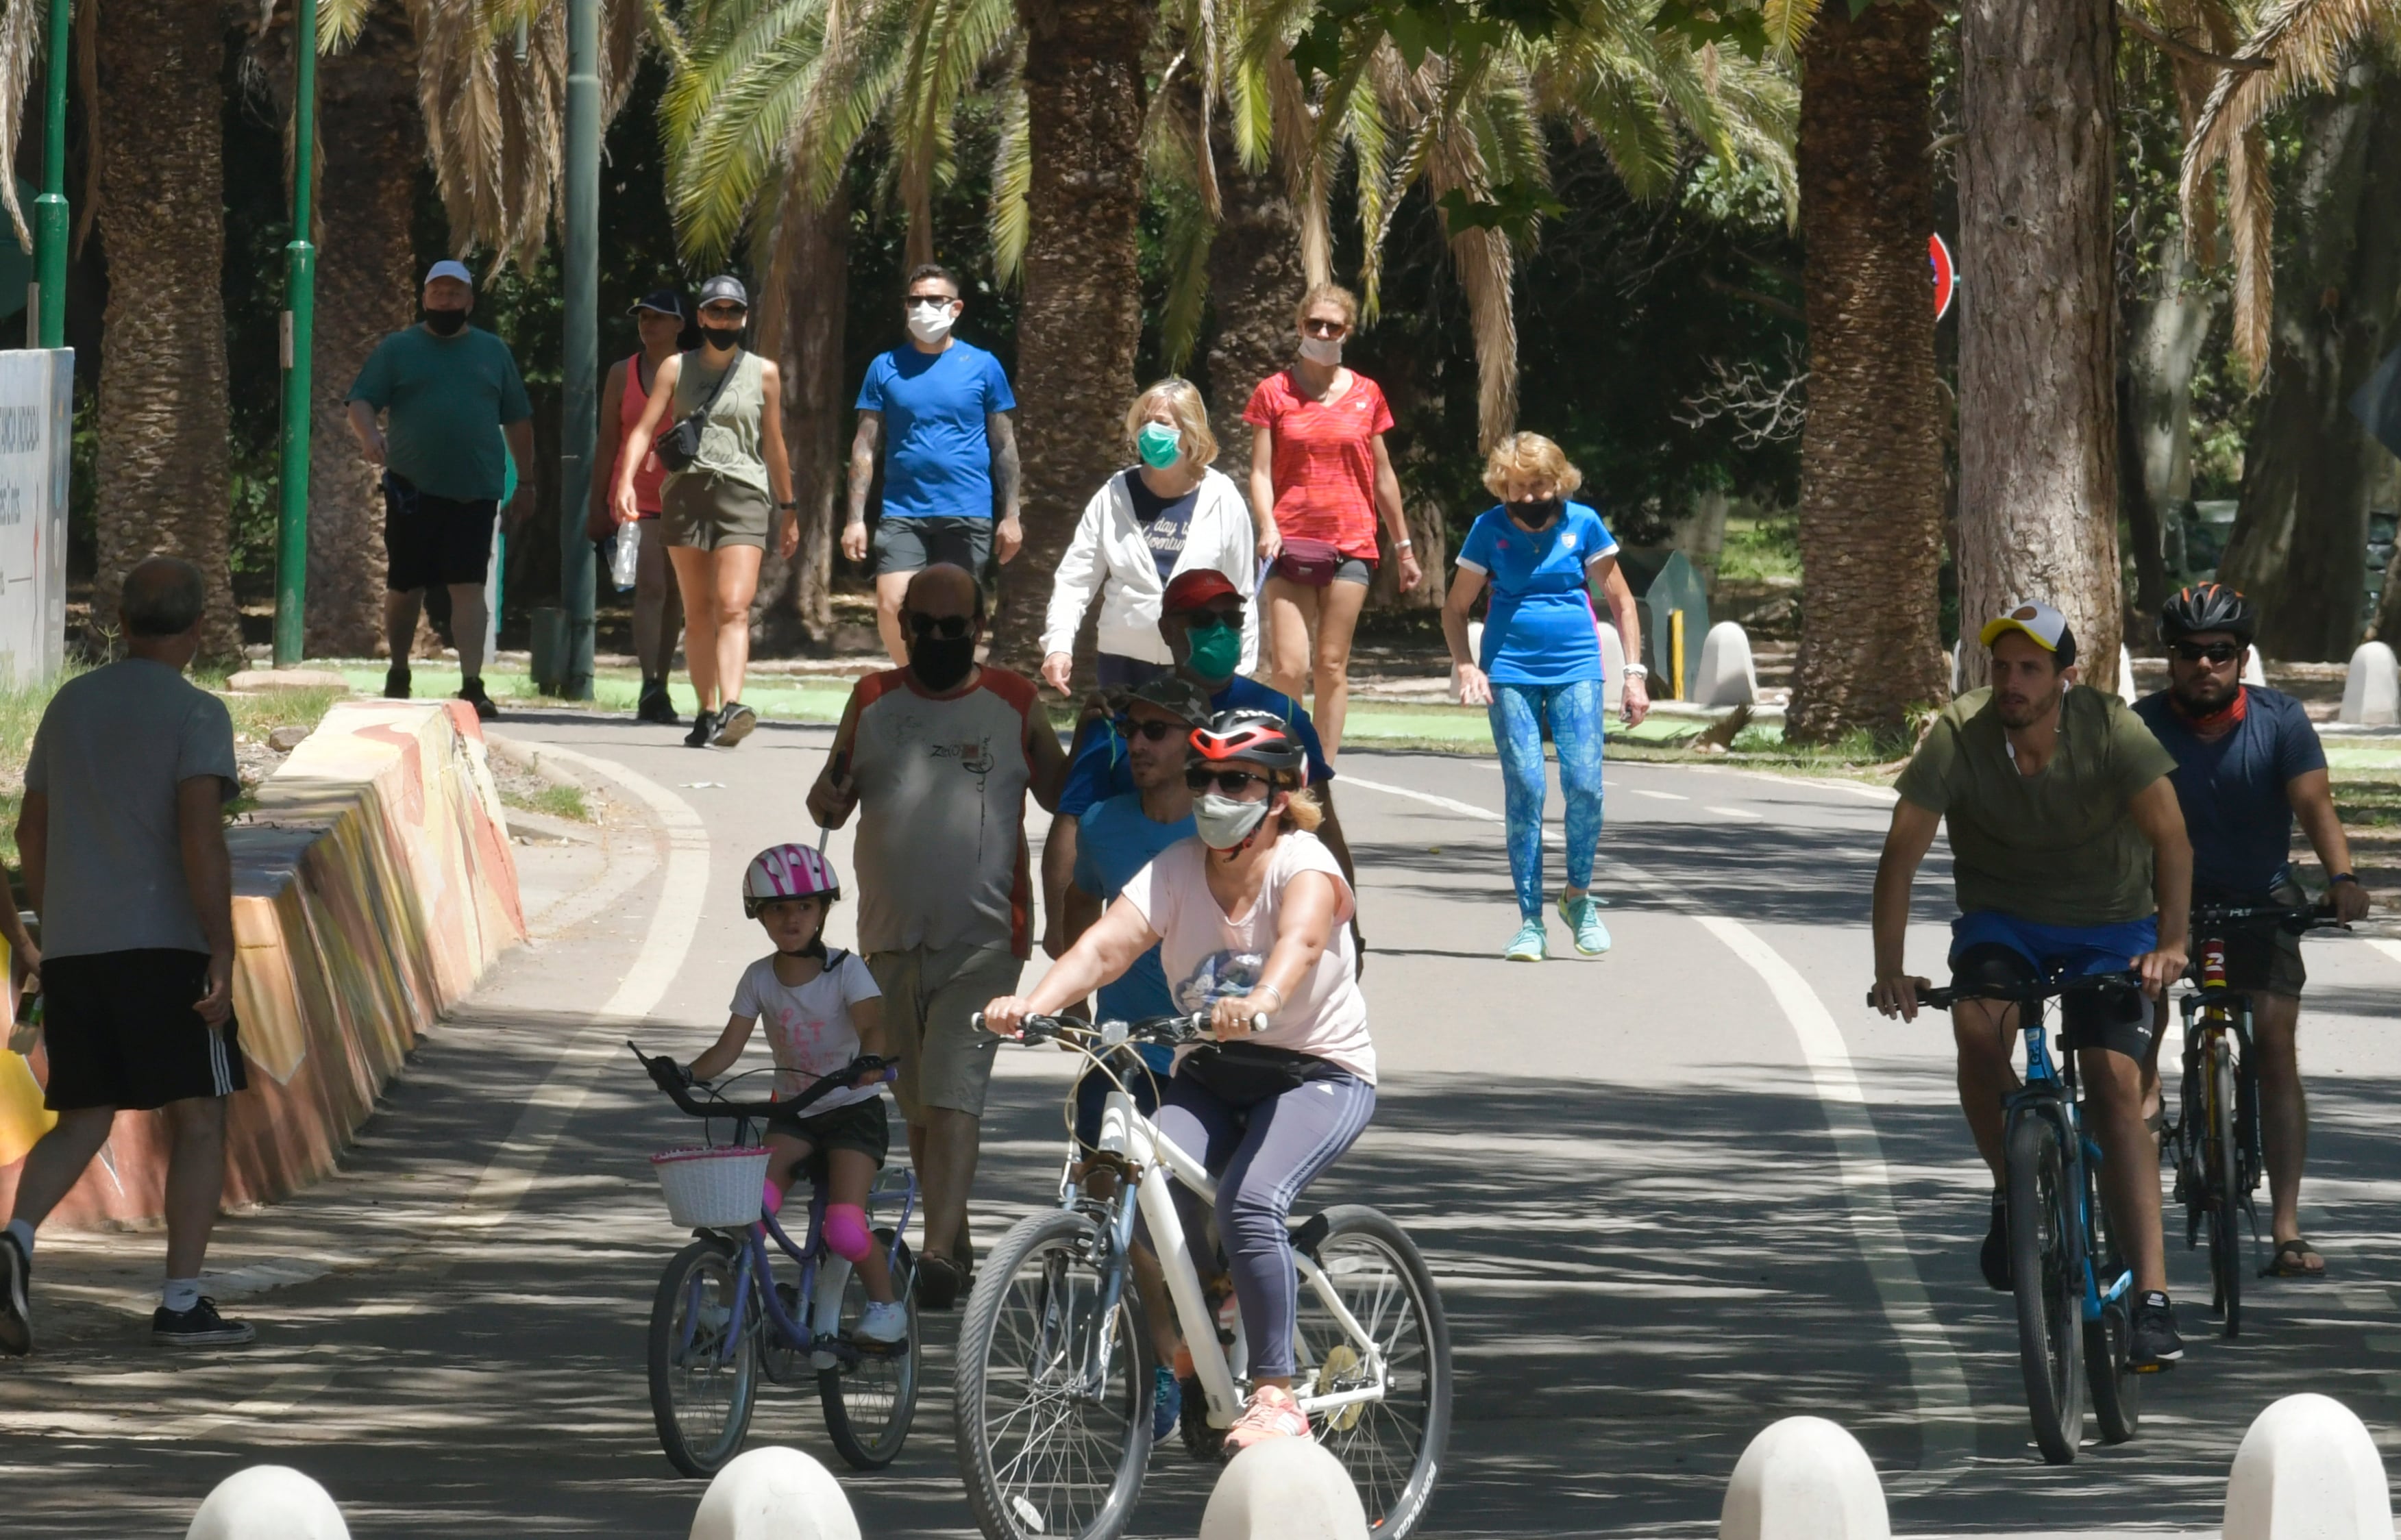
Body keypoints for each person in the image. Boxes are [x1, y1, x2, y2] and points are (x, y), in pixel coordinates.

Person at [981, 710, 1375, 1452]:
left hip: (1318, 1072)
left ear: (1281, 792)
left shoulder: (1306, 866)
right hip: (1213, 1071)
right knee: (1147, 1167)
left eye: (1236, 779)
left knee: (1249, 1200)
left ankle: (1277, 1391)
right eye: (1203, 778)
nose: (1213, 792)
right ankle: (1209, 1321)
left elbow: (1301, 941)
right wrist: (1033, 1004)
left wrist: (1262, 1000)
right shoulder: (1176, 866)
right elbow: (1103, 948)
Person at [1870, 601, 2193, 1369]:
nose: (2011, 683)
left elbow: (2173, 840)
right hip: (2003, 921)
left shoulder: (2113, 729)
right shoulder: (1959, 733)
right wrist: (1889, 967)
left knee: (2116, 1086)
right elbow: (1901, 856)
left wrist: (2173, 943)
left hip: (2112, 926)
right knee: (1977, 1029)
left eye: (2030, 669)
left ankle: (2151, 1298)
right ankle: (2015, 1181)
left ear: (2065, 678)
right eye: (2002, 667)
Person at [2, 557, 252, 1354]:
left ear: (120, 621)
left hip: (76, 951)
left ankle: (15, 1239)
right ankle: (182, 1303)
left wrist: (57, 927)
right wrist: (221, 945)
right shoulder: (198, 714)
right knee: (202, 1117)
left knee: (81, 1119)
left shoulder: (69, 706)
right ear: (198, 629)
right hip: (166, 948)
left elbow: (28, 833)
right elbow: (199, 837)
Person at [805, 564, 1067, 1308]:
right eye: (928, 626)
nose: (942, 639)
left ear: (981, 626)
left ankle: (938, 1258)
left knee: (953, 1097)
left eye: (958, 628)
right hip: (889, 938)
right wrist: (824, 795)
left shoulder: (1014, 701)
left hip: (986, 936)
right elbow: (831, 796)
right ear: (906, 627)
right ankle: (955, 1233)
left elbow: (1061, 790)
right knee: (919, 1107)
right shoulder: (872, 701)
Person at [2132, 583, 2370, 1280]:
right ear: (2168, 659)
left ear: (2242, 657)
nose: (2204, 665)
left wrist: (2343, 877)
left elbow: (2314, 803)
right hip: (2161, 905)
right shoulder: (2139, 727)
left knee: (2275, 1046)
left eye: (2220, 652)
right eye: (2188, 652)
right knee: (2135, 1049)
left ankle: (2287, 1227)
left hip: (2261, 898)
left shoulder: (2282, 719)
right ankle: (2134, 1221)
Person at [1040, 569, 1360, 962]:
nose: (1221, 630)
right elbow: (1072, 824)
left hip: (1250, 941)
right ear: (1167, 630)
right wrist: (1058, 930)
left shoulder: (1282, 714)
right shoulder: (1121, 716)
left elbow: (1321, 823)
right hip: (1138, 937)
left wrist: (1352, 929)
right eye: (1204, 620)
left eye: (1232, 619)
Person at [1057, 673, 1209, 1437]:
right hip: (1119, 1048)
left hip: (1204, 1055)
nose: (1139, 744)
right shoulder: (1109, 824)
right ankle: (1161, 1363)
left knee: (1200, 1228)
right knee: (1117, 1201)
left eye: (1157, 731)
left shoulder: (1220, 826)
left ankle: (1214, 1344)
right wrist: (1070, 987)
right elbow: (1082, 902)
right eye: (1130, 729)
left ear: (1194, 742)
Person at [682, 845, 907, 1343]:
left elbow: (874, 1026)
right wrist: (686, 1075)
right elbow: (727, 1049)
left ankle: (886, 1308)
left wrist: (870, 1062)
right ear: (758, 915)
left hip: (851, 1112)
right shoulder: (759, 977)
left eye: (805, 906)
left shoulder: (846, 970)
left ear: (824, 911)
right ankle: (729, 1307)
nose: (792, 918)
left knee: (845, 1228)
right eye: (778, 908)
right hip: (793, 1115)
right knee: (750, 1211)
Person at [1443, 432, 1652, 962]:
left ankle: (1577, 897)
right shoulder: (1487, 530)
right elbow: (1455, 607)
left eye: (1539, 485)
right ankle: (1530, 921)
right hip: (1508, 669)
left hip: (1578, 665)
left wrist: (1633, 674)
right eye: (1518, 487)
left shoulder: (1582, 523)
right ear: (1502, 486)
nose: (1531, 497)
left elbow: (1622, 603)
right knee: (1528, 789)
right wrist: (1467, 665)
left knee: (1585, 784)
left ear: (1558, 481)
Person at [614, 275, 800, 749]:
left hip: (743, 494)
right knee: (697, 611)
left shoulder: (764, 373)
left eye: (732, 312)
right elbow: (643, 428)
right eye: (715, 312)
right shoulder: (676, 368)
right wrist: (625, 482)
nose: (723, 320)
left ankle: (734, 703)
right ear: (699, 317)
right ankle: (707, 710)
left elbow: (774, 446)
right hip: (686, 495)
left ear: (744, 317)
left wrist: (789, 507)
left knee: (733, 605)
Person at [347, 258, 535, 721]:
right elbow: (361, 399)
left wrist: (528, 481)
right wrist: (370, 435)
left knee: (468, 584)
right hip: (412, 487)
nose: (446, 300)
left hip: (474, 489)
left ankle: (473, 684)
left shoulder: (493, 352)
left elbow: (517, 418)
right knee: (405, 585)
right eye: (438, 292)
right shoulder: (399, 349)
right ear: (424, 297)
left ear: (470, 300)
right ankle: (399, 671)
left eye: (455, 293)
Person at [1243, 282, 1423, 762]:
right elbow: (1260, 471)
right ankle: (1279, 763)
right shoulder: (1273, 392)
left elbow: (1383, 475)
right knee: (1289, 665)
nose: (1322, 332)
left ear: (1347, 332)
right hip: (1290, 543)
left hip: (1353, 544)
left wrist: (1404, 548)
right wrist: (1267, 525)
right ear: (1300, 326)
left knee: (1331, 663)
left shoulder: (1368, 394)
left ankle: (1320, 770)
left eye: (1333, 326)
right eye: (1313, 324)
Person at [844, 264, 1021, 667]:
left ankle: (954, 685)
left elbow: (1004, 444)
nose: (923, 307)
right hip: (903, 511)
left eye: (934, 300)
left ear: (955, 308)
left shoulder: (983, 365)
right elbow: (864, 446)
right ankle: (909, 681)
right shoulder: (884, 367)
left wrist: (1012, 515)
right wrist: (855, 519)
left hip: (968, 511)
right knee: (893, 604)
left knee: (959, 613)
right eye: (915, 300)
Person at [1040, 378, 1258, 695]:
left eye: (1163, 423)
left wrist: (1241, 669)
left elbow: (1242, 591)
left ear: (1190, 432)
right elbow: (1076, 578)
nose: (1150, 431)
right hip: (1122, 661)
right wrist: (1058, 644)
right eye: (1144, 422)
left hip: (1199, 659)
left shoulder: (1222, 497)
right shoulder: (1115, 494)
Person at [587, 288, 690, 725]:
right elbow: (609, 439)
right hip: (634, 497)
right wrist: (597, 502)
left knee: (675, 597)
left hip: (685, 498)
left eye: (659, 318)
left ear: (679, 325)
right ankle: (649, 683)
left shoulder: (696, 370)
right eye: (643, 317)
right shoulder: (620, 372)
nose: (649, 325)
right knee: (650, 587)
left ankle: (662, 681)